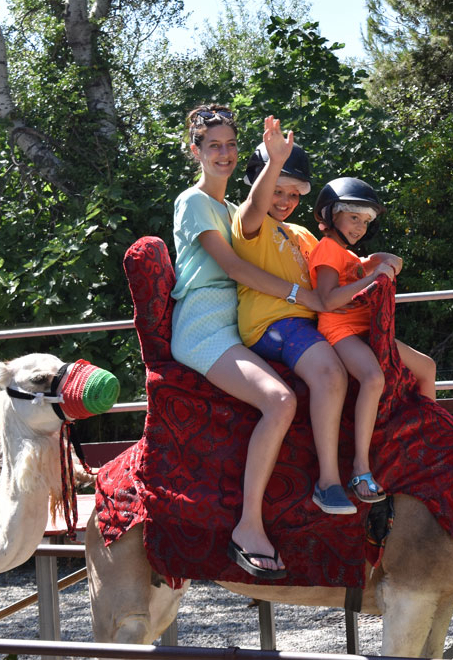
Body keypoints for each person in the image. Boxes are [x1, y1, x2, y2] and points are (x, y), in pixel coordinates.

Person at [171, 106, 326, 580]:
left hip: (239, 324)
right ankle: (249, 527)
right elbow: (235, 270)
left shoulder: (228, 209)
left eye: (231, 145)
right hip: (205, 325)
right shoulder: (194, 201)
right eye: (213, 145)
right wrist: (303, 295)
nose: (224, 153)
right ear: (195, 151)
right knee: (278, 401)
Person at [230, 134, 393, 513]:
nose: (286, 202)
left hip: (313, 324)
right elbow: (256, 205)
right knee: (331, 373)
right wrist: (273, 164)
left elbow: (341, 265)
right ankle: (328, 482)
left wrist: (377, 262)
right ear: (260, 184)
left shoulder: (303, 233)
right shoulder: (249, 223)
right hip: (275, 323)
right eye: (278, 191)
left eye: (294, 195)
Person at [309, 177, 438, 504]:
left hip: (367, 329)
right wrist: (371, 277)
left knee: (426, 367)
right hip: (341, 330)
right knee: (372, 377)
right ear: (331, 214)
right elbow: (326, 301)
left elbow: (390, 262)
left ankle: (428, 441)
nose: (360, 227)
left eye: (366, 222)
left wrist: (382, 265)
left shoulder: (348, 255)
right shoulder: (327, 249)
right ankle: (360, 468)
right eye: (354, 218)